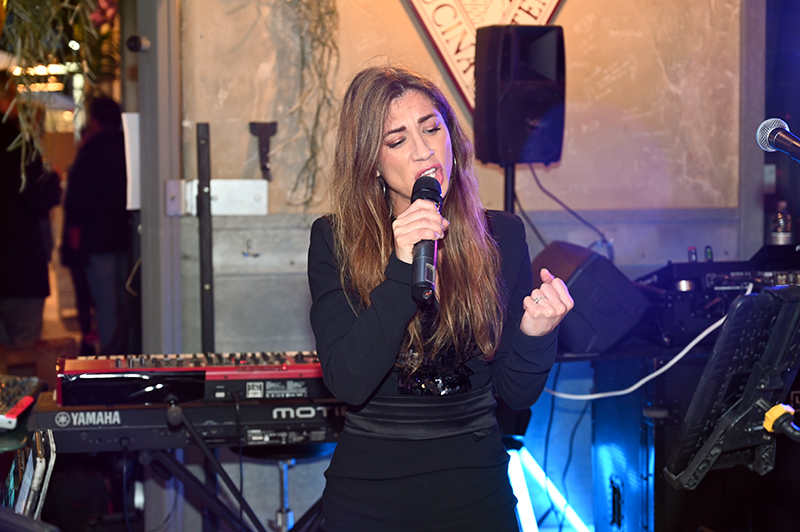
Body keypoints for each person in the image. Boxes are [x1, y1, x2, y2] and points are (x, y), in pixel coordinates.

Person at [307, 64, 574, 532]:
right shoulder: (336, 240)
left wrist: (537, 334)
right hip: (371, 502)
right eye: (397, 140)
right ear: (371, 162)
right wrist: (400, 268)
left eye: (432, 128)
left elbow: (515, 396)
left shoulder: (502, 235)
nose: (424, 150)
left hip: (479, 497)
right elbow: (348, 380)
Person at [62, 96, 130, 355]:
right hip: (126, 235)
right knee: (126, 301)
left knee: (105, 304)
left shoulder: (90, 152)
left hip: (97, 239)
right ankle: (128, 352)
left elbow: (75, 200)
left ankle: (112, 358)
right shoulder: (128, 148)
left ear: (95, 121)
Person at [0, 70, 61, 346]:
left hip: (17, 265)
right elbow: (36, 200)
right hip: (20, 266)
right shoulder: (21, 147)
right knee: (24, 352)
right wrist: (53, 180)